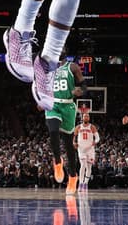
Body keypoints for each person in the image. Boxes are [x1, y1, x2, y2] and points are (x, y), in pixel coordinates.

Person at [45, 56, 86, 194]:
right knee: (53, 131)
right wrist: (41, 99)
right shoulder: (48, 67)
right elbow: (42, 86)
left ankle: (73, 177)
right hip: (53, 103)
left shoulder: (72, 66)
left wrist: (80, 91)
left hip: (68, 105)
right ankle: (57, 161)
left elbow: (84, 86)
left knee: (69, 146)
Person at [74, 112, 99, 192]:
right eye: (85, 116)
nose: (86, 117)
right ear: (82, 118)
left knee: (89, 168)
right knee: (83, 165)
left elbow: (98, 138)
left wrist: (95, 142)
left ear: (89, 118)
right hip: (81, 149)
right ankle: (80, 184)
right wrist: (74, 143)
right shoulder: (78, 127)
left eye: (87, 116)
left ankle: (85, 183)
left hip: (90, 149)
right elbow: (73, 137)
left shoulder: (92, 127)